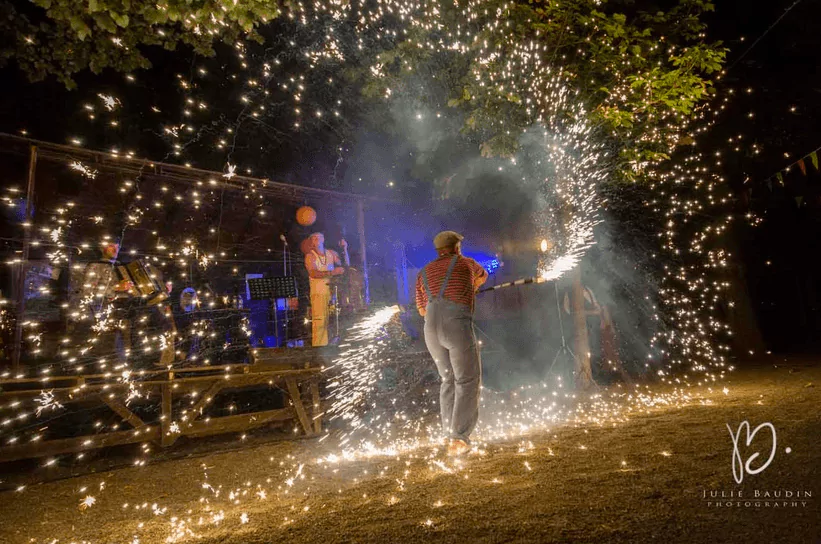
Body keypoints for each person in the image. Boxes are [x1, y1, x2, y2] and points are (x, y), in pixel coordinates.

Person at [416, 230, 488, 456]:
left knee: (447, 379)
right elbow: (483, 276)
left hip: (430, 328)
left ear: (438, 250)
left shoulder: (423, 273)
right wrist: (471, 288)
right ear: (457, 248)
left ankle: (449, 435)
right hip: (455, 325)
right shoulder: (466, 263)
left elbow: (422, 309)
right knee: (467, 380)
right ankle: (459, 438)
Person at [304, 232, 349, 347]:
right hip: (318, 292)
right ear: (311, 242)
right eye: (314, 238)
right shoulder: (310, 256)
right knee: (320, 321)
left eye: (319, 237)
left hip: (333, 292)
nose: (317, 239)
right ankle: (319, 348)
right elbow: (313, 273)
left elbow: (345, 265)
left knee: (333, 320)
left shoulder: (331, 253)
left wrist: (345, 249)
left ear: (323, 239)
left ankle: (332, 346)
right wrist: (332, 272)